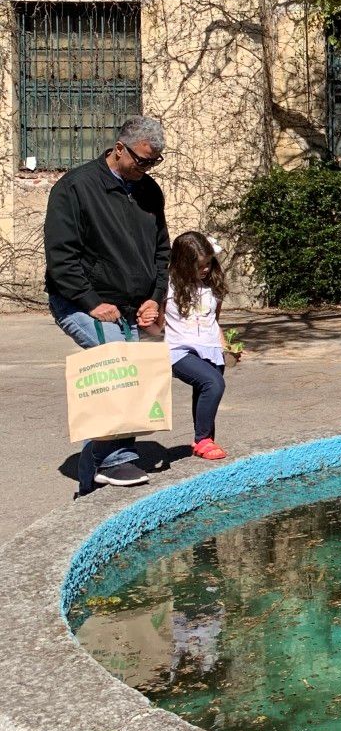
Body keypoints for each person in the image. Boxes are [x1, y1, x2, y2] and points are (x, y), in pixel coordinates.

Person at [45, 115, 170, 496]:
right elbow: (61, 257)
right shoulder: (75, 188)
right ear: (119, 148)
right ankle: (116, 460)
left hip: (131, 304)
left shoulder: (148, 192)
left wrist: (154, 296)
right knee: (119, 364)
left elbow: (160, 252)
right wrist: (91, 302)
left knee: (129, 373)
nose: (147, 169)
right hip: (80, 302)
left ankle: (91, 473)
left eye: (154, 163)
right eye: (142, 160)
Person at [164, 231, 239, 460]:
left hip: (210, 346)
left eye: (208, 263)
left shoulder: (211, 286)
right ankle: (202, 439)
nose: (205, 269)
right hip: (178, 349)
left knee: (205, 392)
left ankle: (205, 441)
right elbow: (155, 323)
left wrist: (226, 345)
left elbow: (213, 321)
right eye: (200, 265)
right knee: (213, 383)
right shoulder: (167, 287)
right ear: (183, 264)